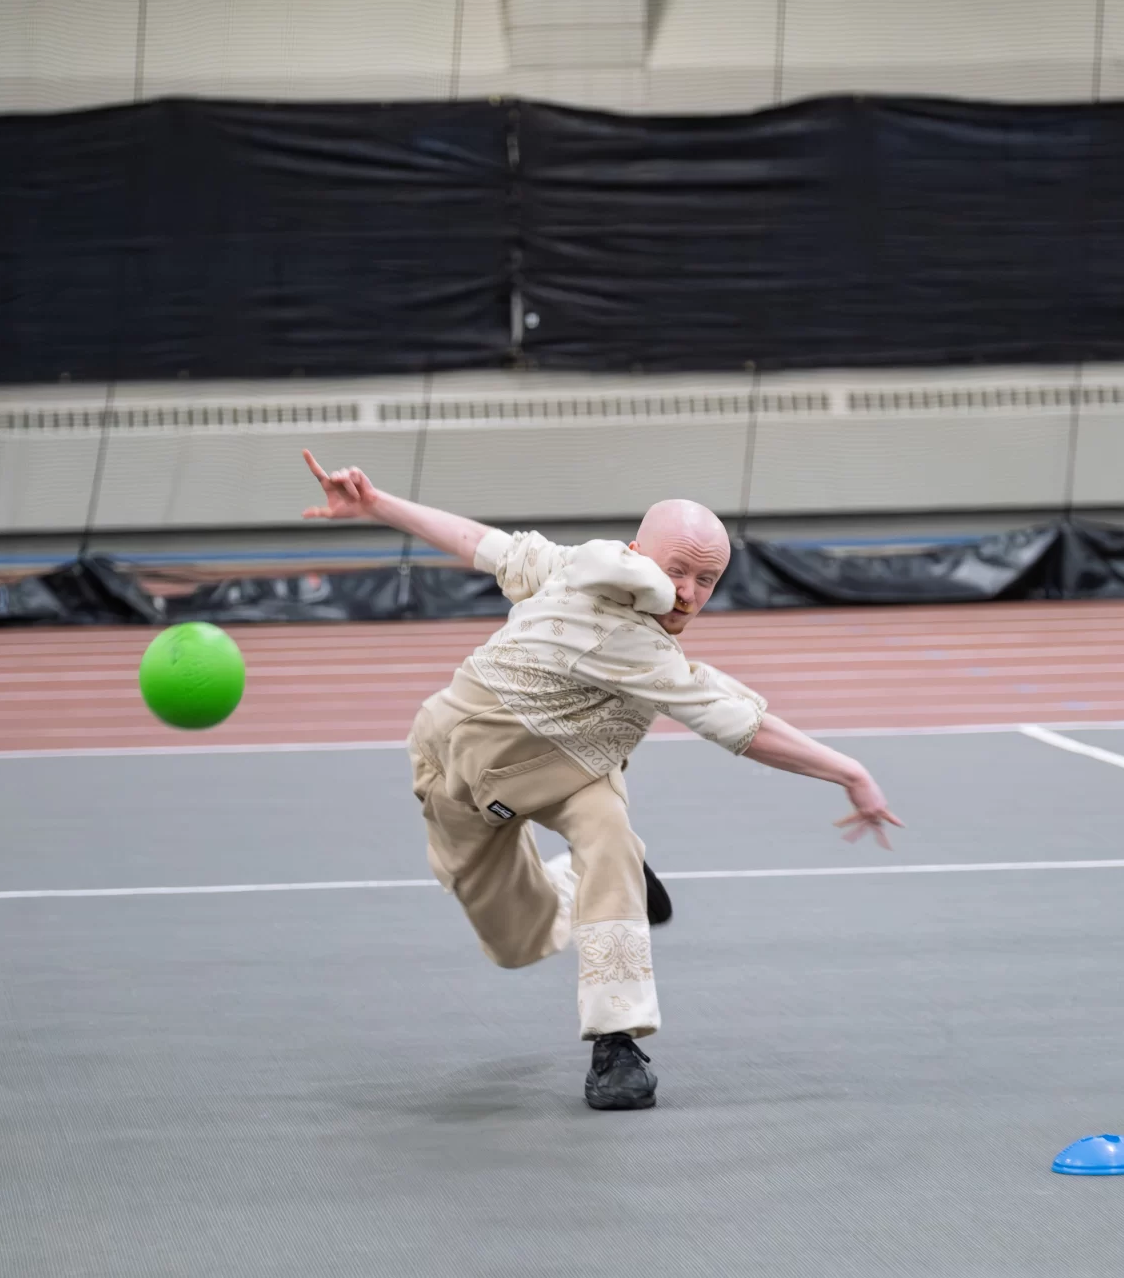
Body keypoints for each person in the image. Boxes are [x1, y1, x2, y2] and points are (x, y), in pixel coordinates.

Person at [301, 449, 901, 1111]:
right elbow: (480, 543)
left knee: (608, 834)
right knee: (515, 942)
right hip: (460, 773)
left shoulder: (642, 645)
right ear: (635, 551)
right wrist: (375, 503)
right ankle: (589, 881)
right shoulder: (570, 576)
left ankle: (616, 1042)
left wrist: (848, 769)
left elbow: (743, 724)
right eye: (676, 570)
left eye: (707, 579)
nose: (689, 594)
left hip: (578, 765)